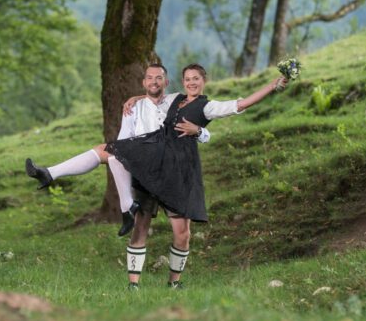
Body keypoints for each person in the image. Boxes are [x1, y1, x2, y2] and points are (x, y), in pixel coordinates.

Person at [108, 63, 288, 290]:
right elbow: (153, 94)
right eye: (188, 79)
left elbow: (240, 104)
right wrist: (133, 98)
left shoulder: (207, 106)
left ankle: (174, 283)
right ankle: (133, 285)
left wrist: (272, 86)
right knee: (140, 225)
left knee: (182, 233)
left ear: (204, 81)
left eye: (196, 79)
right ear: (182, 82)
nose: (192, 83)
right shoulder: (174, 99)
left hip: (181, 172)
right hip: (153, 168)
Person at [24, 63, 211, 236]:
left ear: (166, 82)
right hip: (142, 160)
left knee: (181, 233)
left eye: (159, 78)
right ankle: (49, 174)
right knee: (112, 155)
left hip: (168, 164)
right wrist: (137, 100)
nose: (154, 82)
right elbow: (123, 139)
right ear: (143, 82)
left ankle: (126, 207)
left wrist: (200, 131)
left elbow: (200, 116)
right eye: (150, 78)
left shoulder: (176, 101)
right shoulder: (132, 108)